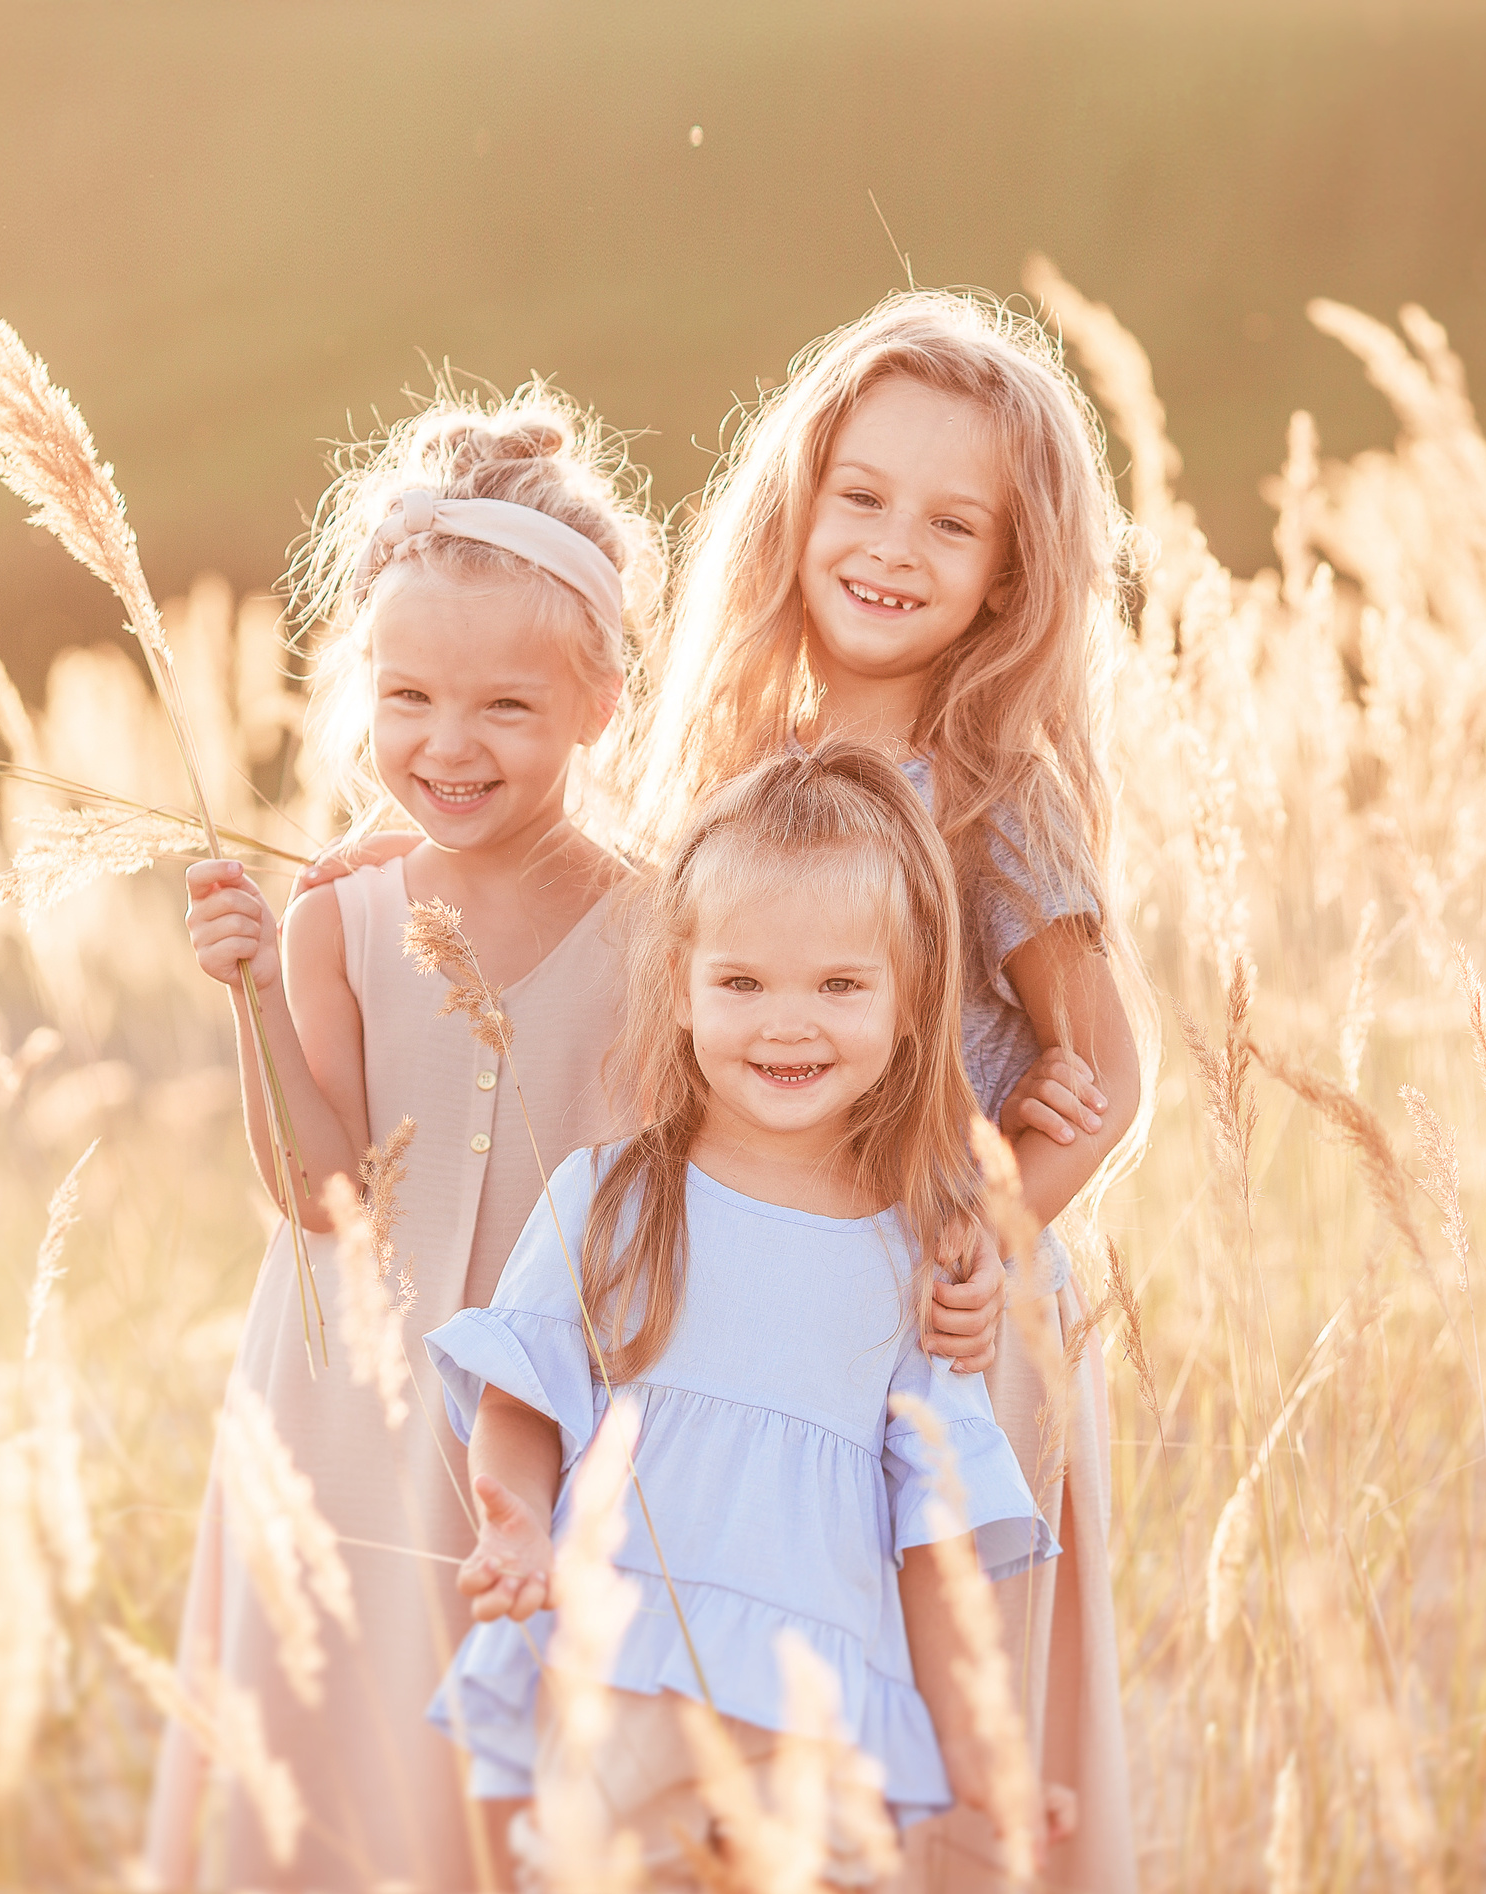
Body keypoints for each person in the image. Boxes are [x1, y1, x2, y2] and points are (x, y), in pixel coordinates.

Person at [145, 387, 1003, 1890]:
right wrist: (249, 991)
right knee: (335, 1769)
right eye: (405, 699)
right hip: (343, 1407)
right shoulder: (338, 913)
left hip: (555, 1424)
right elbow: (319, 1191)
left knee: (515, 1782)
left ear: (602, 700)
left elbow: (747, 1149)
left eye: (504, 709)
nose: (446, 745)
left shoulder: (662, 920)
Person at [626, 289, 1158, 1892]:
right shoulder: (733, 764)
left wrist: (993, 1232)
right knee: (751, 1749)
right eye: (860, 496)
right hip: (757, 1322)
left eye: (952, 521)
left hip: (935, 1337)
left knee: (926, 1754)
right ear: (798, 508)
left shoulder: (995, 798)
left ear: (1009, 574)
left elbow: (1108, 1069)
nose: (890, 544)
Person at [428, 741, 1065, 1888]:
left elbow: (932, 1533)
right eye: (741, 983)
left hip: (817, 1710)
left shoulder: (921, 1251)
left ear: (912, 999)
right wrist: (513, 1516)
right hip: (620, 1672)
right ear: (680, 986)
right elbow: (523, 1394)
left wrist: (979, 1749)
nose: (787, 1024)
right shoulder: (615, 1196)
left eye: (838, 985)